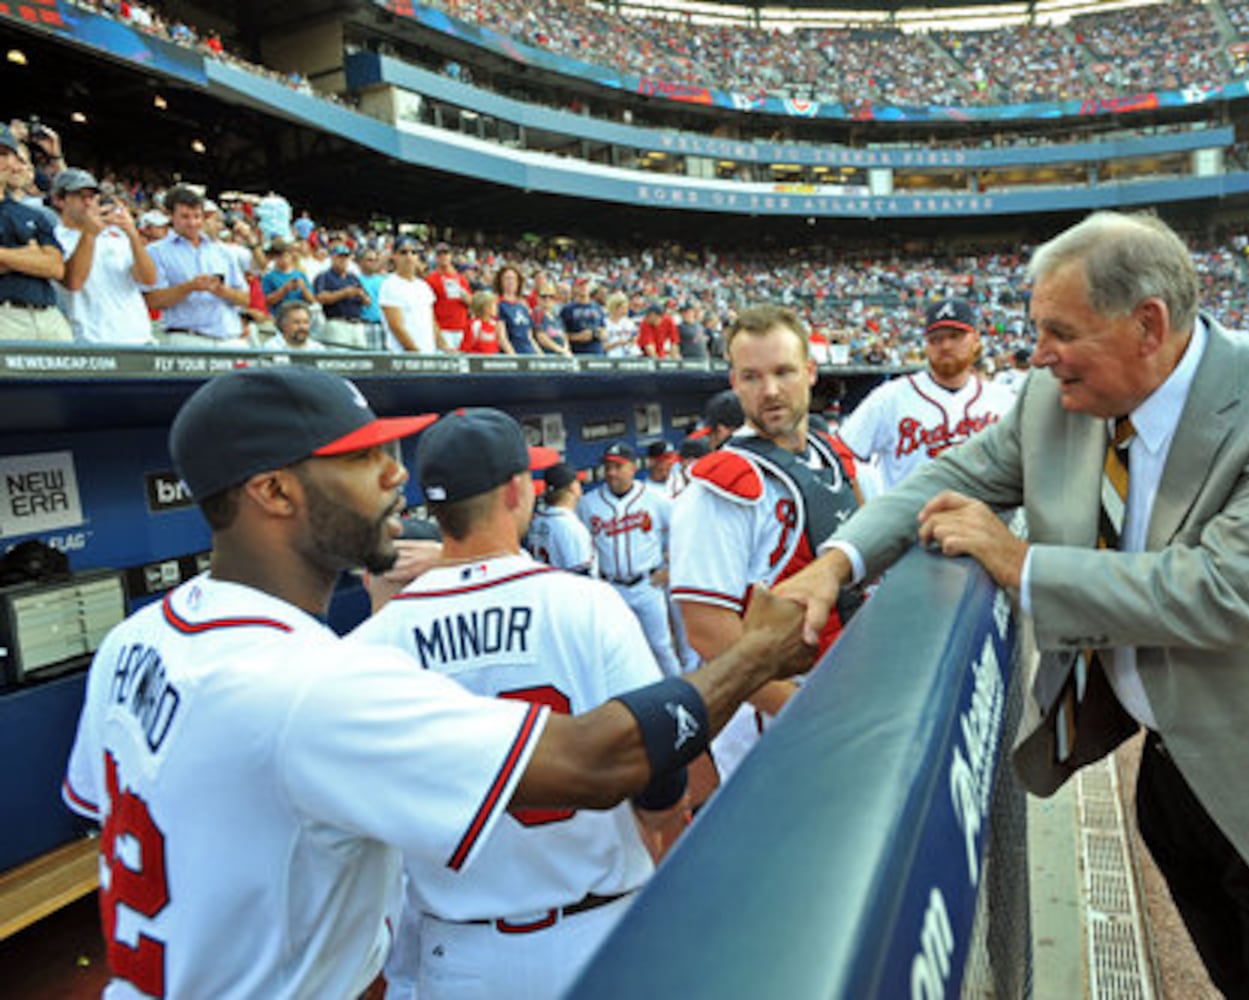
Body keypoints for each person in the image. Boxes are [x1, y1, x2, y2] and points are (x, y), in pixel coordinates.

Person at [780, 211, 1249, 1000]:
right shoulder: (1057, 397)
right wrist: (838, 561)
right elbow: (959, 473)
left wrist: (1020, 563)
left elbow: (1229, 593)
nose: (1037, 355)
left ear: (1148, 325)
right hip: (1184, 781)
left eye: (1059, 331)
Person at [61, 366, 812, 999]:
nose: (396, 474)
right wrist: (760, 652)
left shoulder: (137, 641)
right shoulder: (309, 684)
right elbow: (598, 761)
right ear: (275, 492)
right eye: (359, 460)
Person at [349, 409, 681, 998]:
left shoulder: (376, 640)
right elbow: (660, 776)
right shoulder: (588, 605)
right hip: (596, 924)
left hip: (461, 952)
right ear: (515, 490)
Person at [671, 304, 863, 785]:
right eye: (752, 377)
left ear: (811, 372)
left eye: (783, 372)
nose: (771, 391)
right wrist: (803, 710)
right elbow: (707, 633)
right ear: (734, 382)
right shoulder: (721, 487)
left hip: (851, 687)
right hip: (778, 719)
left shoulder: (832, 453)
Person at [838, 297, 1017, 496]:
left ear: (976, 340)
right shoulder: (890, 398)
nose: (945, 345)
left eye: (955, 336)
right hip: (908, 524)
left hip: (983, 521)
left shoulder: (1003, 401)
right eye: (936, 338)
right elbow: (841, 454)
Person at [576, 442, 680, 678]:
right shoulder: (588, 504)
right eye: (608, 467)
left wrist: (670, 569)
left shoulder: (655, 499)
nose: (611, 472)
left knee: (661, 648)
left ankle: (680, 699)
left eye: (618, 466)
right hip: (611, 587)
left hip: (647, 585)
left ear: (633, 468)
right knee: (616, 653)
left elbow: (684, 533)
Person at [52, 167, 157, 346]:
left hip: (139, 336)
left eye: (92, 197)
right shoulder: (55, 237)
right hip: (93, 339)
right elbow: (74, 282)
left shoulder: (115, 235)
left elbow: (148, 279)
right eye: (79, 196)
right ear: (59, 201)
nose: (88, 202)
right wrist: (90, 234)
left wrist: (132, 235)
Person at [145, 184, 250, 346]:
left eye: (197, 216)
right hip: (188, 338)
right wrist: (189, 287)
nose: (192, 223)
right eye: (185, 217)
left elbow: (245, 299)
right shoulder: (155, 252)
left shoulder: (223, 251)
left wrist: (222, 291)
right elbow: (153, 301)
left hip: (229, 338)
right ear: (170, 216)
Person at [0, 125, 70, 342]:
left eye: (3, 154)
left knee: (71, 375)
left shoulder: (33, 213)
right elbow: (45, 263)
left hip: (48, 315)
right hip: (5, 315)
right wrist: (31, 255)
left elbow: (56, 267)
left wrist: (4, 256)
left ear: (13, 160)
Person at [526, 460, 595, 574]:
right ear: (572, 487)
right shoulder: (570, 527)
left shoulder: (537, 521)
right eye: (578, 482)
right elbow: (580, 576)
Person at [379, 235, 440, 353]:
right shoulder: (390, 285)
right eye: (403, 252)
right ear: (394, 256)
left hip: (428, 353)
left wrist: (444, 346)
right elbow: (396, 326)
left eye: (414, 252)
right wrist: (416, 352)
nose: (409, 256)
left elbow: (432, 322)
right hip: (403, 357)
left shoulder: (423, 286)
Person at [314, 243, 372, 349]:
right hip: (337, 322)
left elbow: (368, 301)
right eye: (339, 257)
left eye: (345, 257)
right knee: (339, 358)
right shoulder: (324, 276)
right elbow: (321, 298)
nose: (343, 260)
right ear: (332, 258)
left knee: (362, 358)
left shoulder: (353, 277)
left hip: (357, 324)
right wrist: (344, 293)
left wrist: (362, 295)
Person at [426, 243, 471, 352]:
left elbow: (471, 302)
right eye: (440, 254)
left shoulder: (460, 279)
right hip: (443, 329)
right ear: (436, 258)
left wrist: (466, 297)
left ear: (450, 256)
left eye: (446, 254)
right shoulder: (431, 279)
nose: (443, 257)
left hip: (461, 327)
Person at [495, 265, 540, 355]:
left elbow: (529, 336)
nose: (510, 282)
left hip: (529, 351)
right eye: (507, 278)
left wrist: (539, 354)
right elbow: (502, 338)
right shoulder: (498, 304)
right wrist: (514, 357)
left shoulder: (523, 306)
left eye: (513, 279)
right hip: (513, 353)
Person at [559, 277, 606, 355]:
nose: (583, 288)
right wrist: (578, 337)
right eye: (580, 285)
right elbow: (562, 334)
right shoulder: (568, 309)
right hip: (578, 351)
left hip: (597, 351)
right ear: (575, 288)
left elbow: (603, 328)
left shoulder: (597, 307)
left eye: (586, 285)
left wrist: (600, 334)